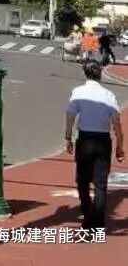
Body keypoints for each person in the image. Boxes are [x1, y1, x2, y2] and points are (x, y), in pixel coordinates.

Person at [65, 60, 124, 230]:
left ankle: (87, 213)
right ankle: (98, 221)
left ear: (85, 73)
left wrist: (68, 137)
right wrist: (120, 145)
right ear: (100, 74)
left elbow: (70, 115)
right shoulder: (109, 95)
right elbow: (117, 123)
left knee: (82, 180)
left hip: (85, 139)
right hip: (103, 140)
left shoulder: (78, 92)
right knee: (101, 183)